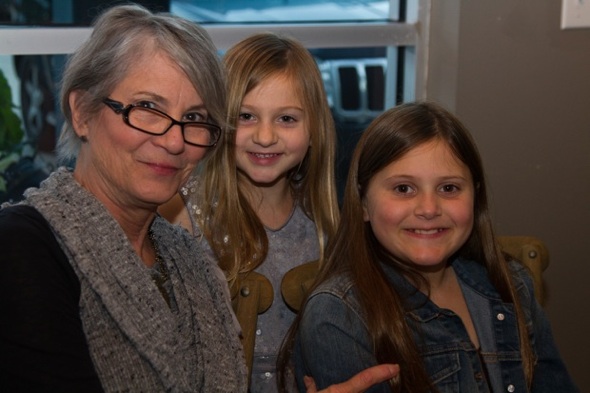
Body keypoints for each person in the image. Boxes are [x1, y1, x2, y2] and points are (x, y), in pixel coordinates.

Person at [0, 4, 247, 391]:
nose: (174, 140)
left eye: (195, 119)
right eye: (148, 108)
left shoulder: (190, 259)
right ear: (82, 112)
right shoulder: (20, 247)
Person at [279, 102, 579, 392]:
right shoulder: (339, 315)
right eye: (403, 188)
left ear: (475, 198)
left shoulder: (511, 285)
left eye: (449, 188)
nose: (428, 208)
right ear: (364, 204)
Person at [161, 32, 340, 392]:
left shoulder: (327, 225)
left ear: (314, 130)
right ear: (219, 122)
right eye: (246, 116)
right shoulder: (182, 216)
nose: (264, 136)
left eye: (286, 119)